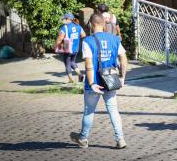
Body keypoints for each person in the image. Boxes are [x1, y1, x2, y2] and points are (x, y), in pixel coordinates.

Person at [70, 13, 128, 149]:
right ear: (104, 24)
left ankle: (83, 138)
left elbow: (89, 65)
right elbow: (123, 59)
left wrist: (91, 83)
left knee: (89, 110)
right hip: (111, 81)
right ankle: (120, 139)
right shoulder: (114, 39)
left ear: (91, 24)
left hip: (94, 82)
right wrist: (122, 77)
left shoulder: (88, 41)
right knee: (113, 110)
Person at [54, 13, 86, 83]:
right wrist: (76, 38)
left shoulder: (64, 27)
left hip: (67, 46)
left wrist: (56, 45)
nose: (63, 20)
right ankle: (80, 74)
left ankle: (71, 79)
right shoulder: (78, 26)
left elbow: (60, 38)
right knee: (72, 62)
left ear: (68, 19)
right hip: (76, 48)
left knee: (67, 63)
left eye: (64, 19)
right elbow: (84, 35)